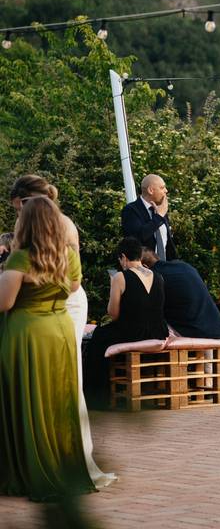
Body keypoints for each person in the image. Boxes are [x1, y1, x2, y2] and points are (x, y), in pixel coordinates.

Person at [7, 175, 115, 488]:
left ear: (37, 200)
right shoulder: (45, 224)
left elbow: (66, 276)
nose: (19, 215)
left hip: (62, 303)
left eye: (22, 207)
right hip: (44, 302)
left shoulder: (62, 225)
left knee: (67, 377)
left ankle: (67, 453)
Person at [83, 237, 168, 409]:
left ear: (123, 257)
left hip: (133, 331)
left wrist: (112, 287)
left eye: (120, 259)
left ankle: (97, 398)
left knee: (98, 337)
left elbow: (113, 314)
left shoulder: (120, 277)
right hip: (157, 331)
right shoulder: (158, 276)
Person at [141, 250, 220, 339]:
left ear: (145, 267)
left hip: (195, 333)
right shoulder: (184, 266)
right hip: (218, 329)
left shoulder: (155, 276)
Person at [121, 174, 176, 261]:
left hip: (165, 267)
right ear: (150, 190)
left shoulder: (161, 210)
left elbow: (167, 244)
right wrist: (159, 217)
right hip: (144, 270)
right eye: (162, 188)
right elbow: (137, 238)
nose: (166, 191)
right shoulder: (131, 210)